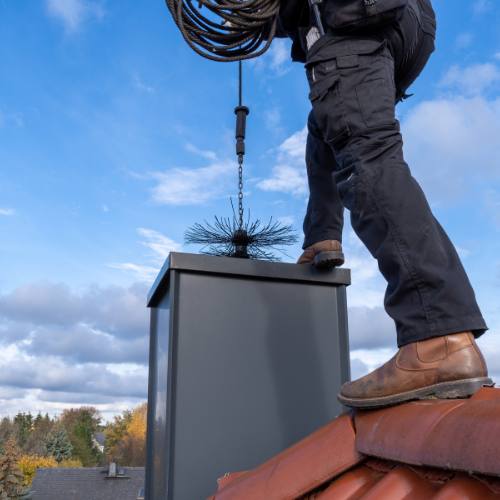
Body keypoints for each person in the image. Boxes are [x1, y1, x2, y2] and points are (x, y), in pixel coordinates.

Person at [278, 0, 492, 408]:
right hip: (408, 21)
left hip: (348, 15)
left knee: (366, 154)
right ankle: (322, 234)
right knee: (327, 121)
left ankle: (438, 336)